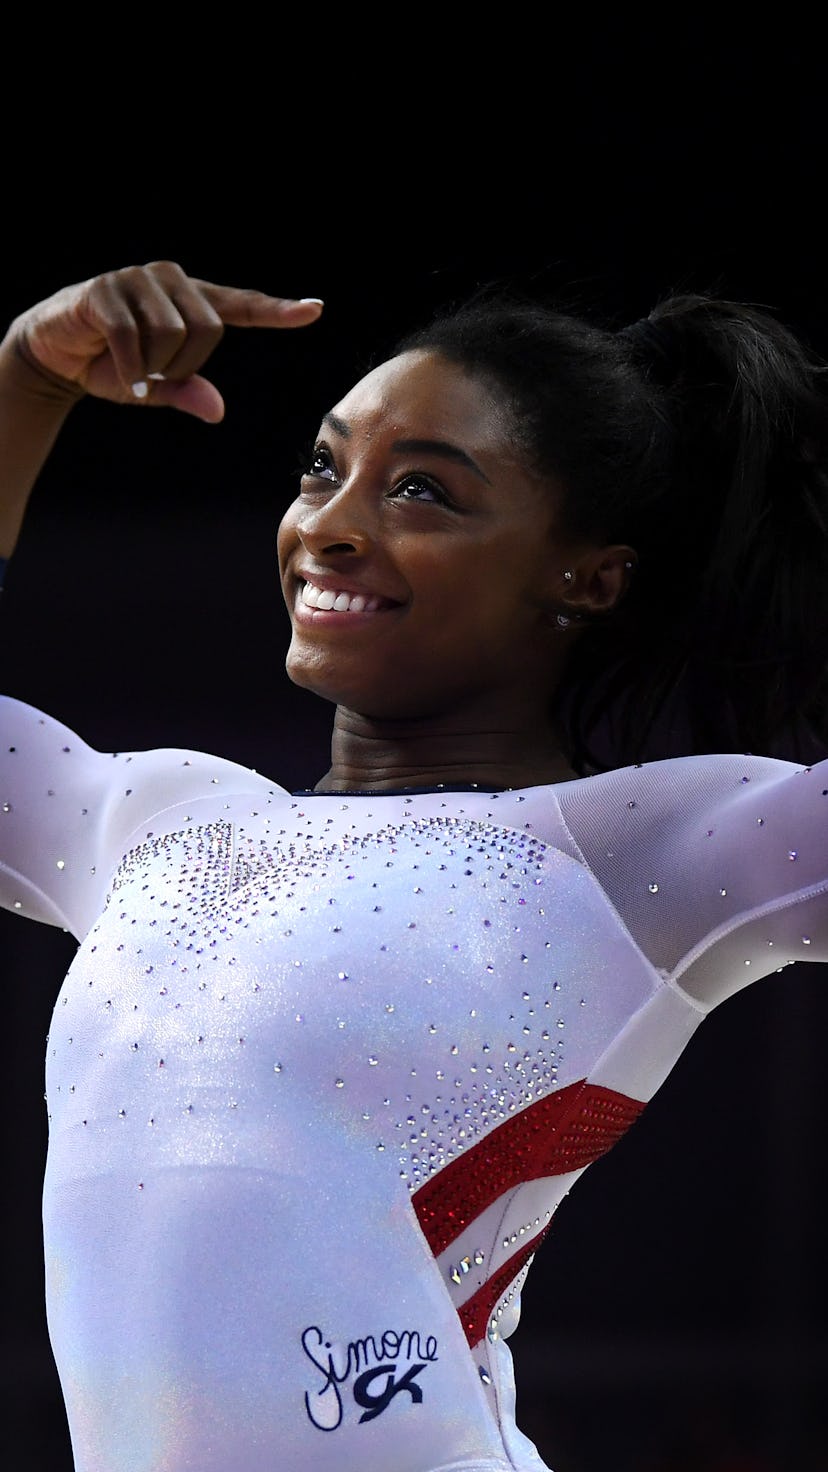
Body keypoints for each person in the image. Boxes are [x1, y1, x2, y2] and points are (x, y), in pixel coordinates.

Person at [0, 259, 826, 1472]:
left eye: (424, 492)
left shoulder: (642, 850)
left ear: (588, 574)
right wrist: (22, 381)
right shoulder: (146, 816)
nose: (330, 525)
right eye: (323, 469)